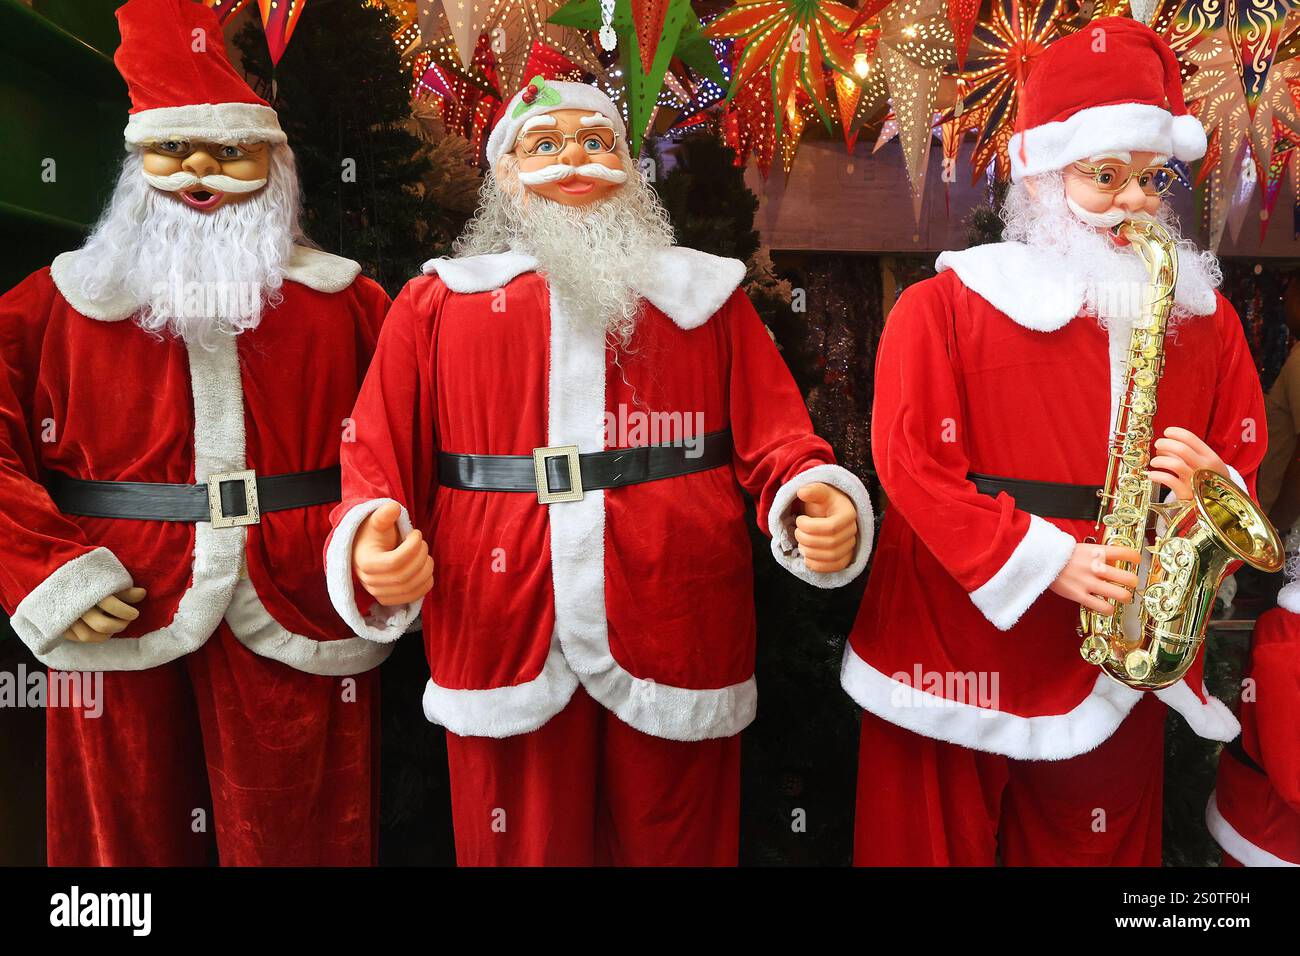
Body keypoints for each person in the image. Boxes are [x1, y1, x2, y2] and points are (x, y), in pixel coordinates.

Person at [324, 66, 874, 866]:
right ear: (505, 174)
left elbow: (778, 438)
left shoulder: (704, 297)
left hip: (675, 600)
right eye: (544, 143)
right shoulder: (436, 304)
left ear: (627, 166)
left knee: (676, 836)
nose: (573, 158)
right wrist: (370, 535)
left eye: (595, 141)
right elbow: (376, 454)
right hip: (500, 607)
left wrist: (811, 494)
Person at [843, 16, 1263, 865]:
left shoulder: (1207, 323)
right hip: (950, 640)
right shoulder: (944, 306)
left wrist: (1211, 486)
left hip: (1126, 629)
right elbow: (912, 463)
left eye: (1153, 179)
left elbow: (1240, 456)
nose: (1136, 201)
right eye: (1105, 176)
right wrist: (1041, 560)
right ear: (1037, 176)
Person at [0, 0, 391, 864]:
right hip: (115, 591)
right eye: (173, 149)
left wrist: (370, 537)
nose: (201, 167)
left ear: (275, 163)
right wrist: (45, 570)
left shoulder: (350, 305)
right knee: (123, 842)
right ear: (138, 162)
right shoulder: (49, 306)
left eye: (232, 149)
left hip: (299, 590)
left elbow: (396, 443)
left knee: (301, 833)